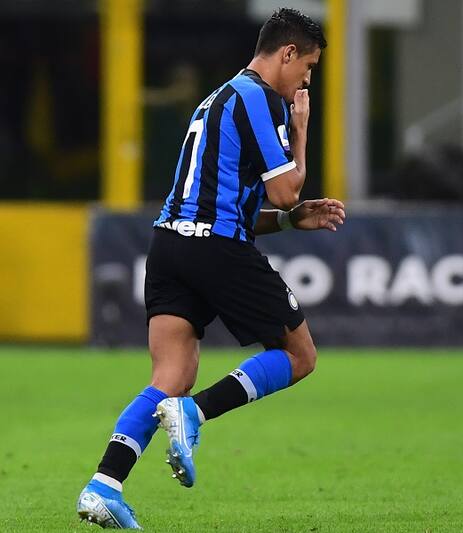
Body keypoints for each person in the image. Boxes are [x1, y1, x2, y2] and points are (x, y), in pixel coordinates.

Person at [76, 8, 344, 529]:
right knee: (300, 355)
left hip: (171, 244)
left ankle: (102, 485)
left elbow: (240, 203)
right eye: (307, 69)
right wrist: (302, 130)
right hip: (216, 246)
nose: (306, 83)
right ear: (286, 54)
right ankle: (195, 414)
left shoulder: (218, 97)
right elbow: (286, 188)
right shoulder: (263, 100)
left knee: (170, 375)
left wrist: (290, 223)